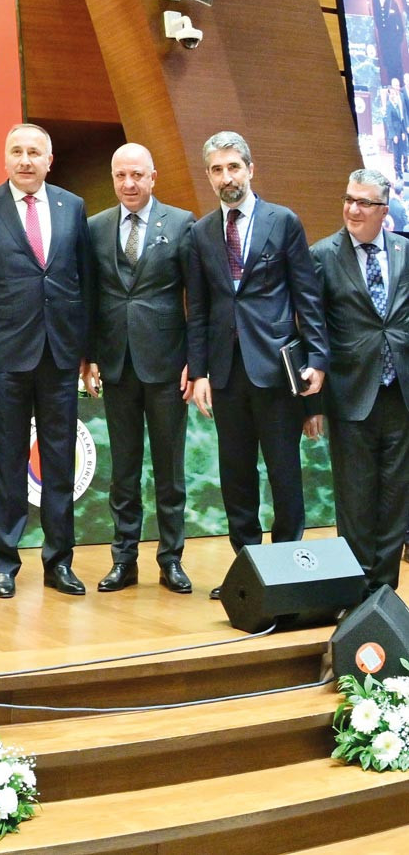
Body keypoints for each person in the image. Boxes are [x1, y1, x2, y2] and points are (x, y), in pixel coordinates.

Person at [187, 130, 327, 599]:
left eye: (234, 167)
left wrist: (317, 361)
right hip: (226, 374)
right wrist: (199, 372)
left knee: (284, 474)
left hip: (276, 370)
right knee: (236, 477)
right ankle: (246, 571)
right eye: (217, 170)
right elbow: (198, 309)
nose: (226, 177)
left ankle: (286, 567)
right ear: (209, 176)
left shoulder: (282, 221)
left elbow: (307, 297)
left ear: (250, 169)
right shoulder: (200, 233)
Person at [0, 123, 93, 599]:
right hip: (6, 357)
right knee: (8, 462)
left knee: (59, 461)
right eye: (16, 151)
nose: (25, 160)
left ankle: (59, 562)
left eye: (34, 152)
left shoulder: (72, 206)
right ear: (5, 159)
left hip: (60, 355)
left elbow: (85, 281)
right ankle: (4, 562)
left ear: (48, 161)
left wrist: (88, 352)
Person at [82, 144, 196, 594]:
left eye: (136, 175)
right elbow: (90, 296)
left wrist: (195, 361)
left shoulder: (182, 223)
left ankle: (171, 559)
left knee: (170, 470)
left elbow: (197, 297)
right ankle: (123, 560)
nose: (128, 184)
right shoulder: (95, 227)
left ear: (153, 177)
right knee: (124, 471)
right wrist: (89, 354)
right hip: (116, 364)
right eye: (120, 176)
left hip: (168, 365)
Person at [307, 169, 408, 590]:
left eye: (364, 202)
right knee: (355, 499)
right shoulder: (322, 255)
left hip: (400, 394)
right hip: (349, 395)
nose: (353, 209)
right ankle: (357, 589)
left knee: (396, 497)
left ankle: (384, 592)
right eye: (349, 199)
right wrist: (311, 404)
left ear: (384, 210)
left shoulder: (404, 251)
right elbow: (310, 331)